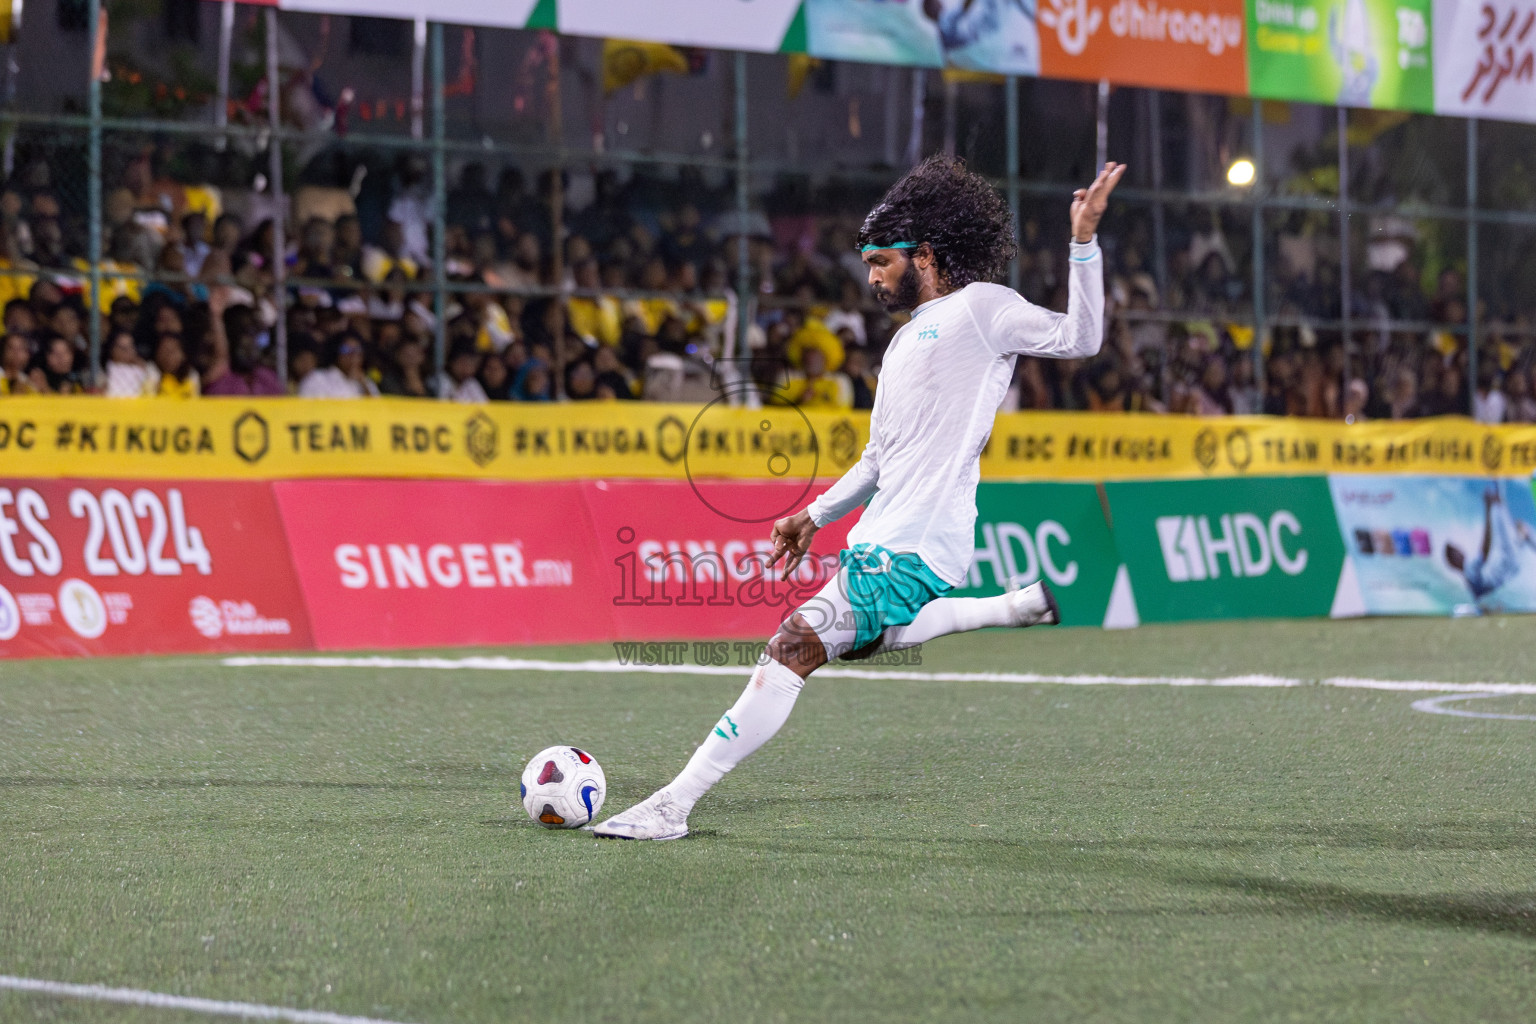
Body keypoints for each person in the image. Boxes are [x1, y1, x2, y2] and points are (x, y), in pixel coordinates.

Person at [595, 155, 1124, 840]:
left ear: (926, 255)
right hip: (883, 534)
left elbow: (1082, 337)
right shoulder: (904, 342)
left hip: (916, 543)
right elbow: (878, 457)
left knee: (791, 647)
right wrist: (813, 514)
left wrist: (1083, 241)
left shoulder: (984, 310)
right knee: (866, 642)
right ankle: (1013, 605)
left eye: (881, 261)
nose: (871, 277)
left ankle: (674, 804)